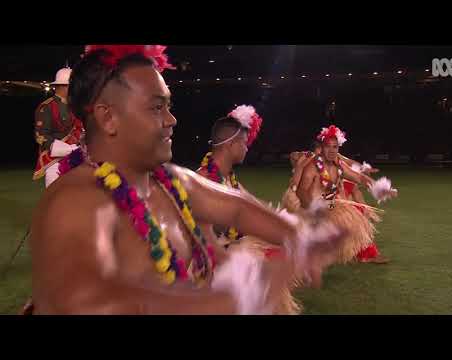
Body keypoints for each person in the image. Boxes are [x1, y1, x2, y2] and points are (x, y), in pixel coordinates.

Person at [27, 45, 343, 315]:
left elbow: (237, 208)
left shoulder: (168, 180)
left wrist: (299, 238)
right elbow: (89, 301)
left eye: (169, 106)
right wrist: (231, 297)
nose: (171, 120)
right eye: (156, 107)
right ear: (109, 117)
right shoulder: (77, 201)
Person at [196, 106, 306, 314]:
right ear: (231, 145)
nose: (247, 149)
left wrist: (286, 208)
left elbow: (256, 209)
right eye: (244, 144)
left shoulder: (230, 179)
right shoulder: (203, 181)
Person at [295, 125, 397, 264]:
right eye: (328, 146)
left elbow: (359, 178)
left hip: (332, 204)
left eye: (335, 147)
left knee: (356, 222)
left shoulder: (339, 165)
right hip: (312, 207)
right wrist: (315, 210)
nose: (331, 150)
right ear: (322, 147)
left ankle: (363, 254)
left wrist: (380, 187)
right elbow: (301, 191)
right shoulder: (312, 167)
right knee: (305, 250)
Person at [33, 67, 84, 188]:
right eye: (72, 86)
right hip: (54, 160)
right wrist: (66, 149)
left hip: (77, 158)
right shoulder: (47, 107)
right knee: (54, 196)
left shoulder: (76, 106)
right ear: (63, 86)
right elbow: (41, 136)